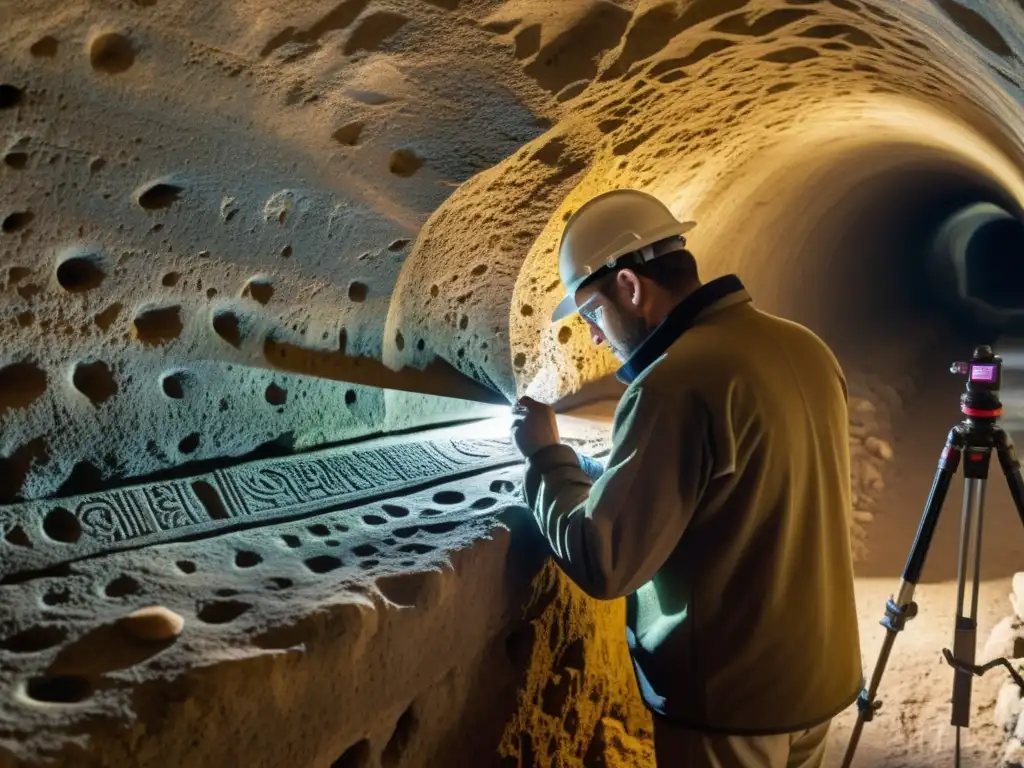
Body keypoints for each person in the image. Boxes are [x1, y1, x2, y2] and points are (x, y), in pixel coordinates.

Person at [509, 188, 863, 768]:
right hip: (816, 681)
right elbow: (735, 484)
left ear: (629, 285)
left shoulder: (672, 383)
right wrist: (599, 469)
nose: (595, 335)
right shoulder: (804, 348)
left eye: (593, 311)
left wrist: (545, 457)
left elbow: (607, 560)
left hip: (730, 703)